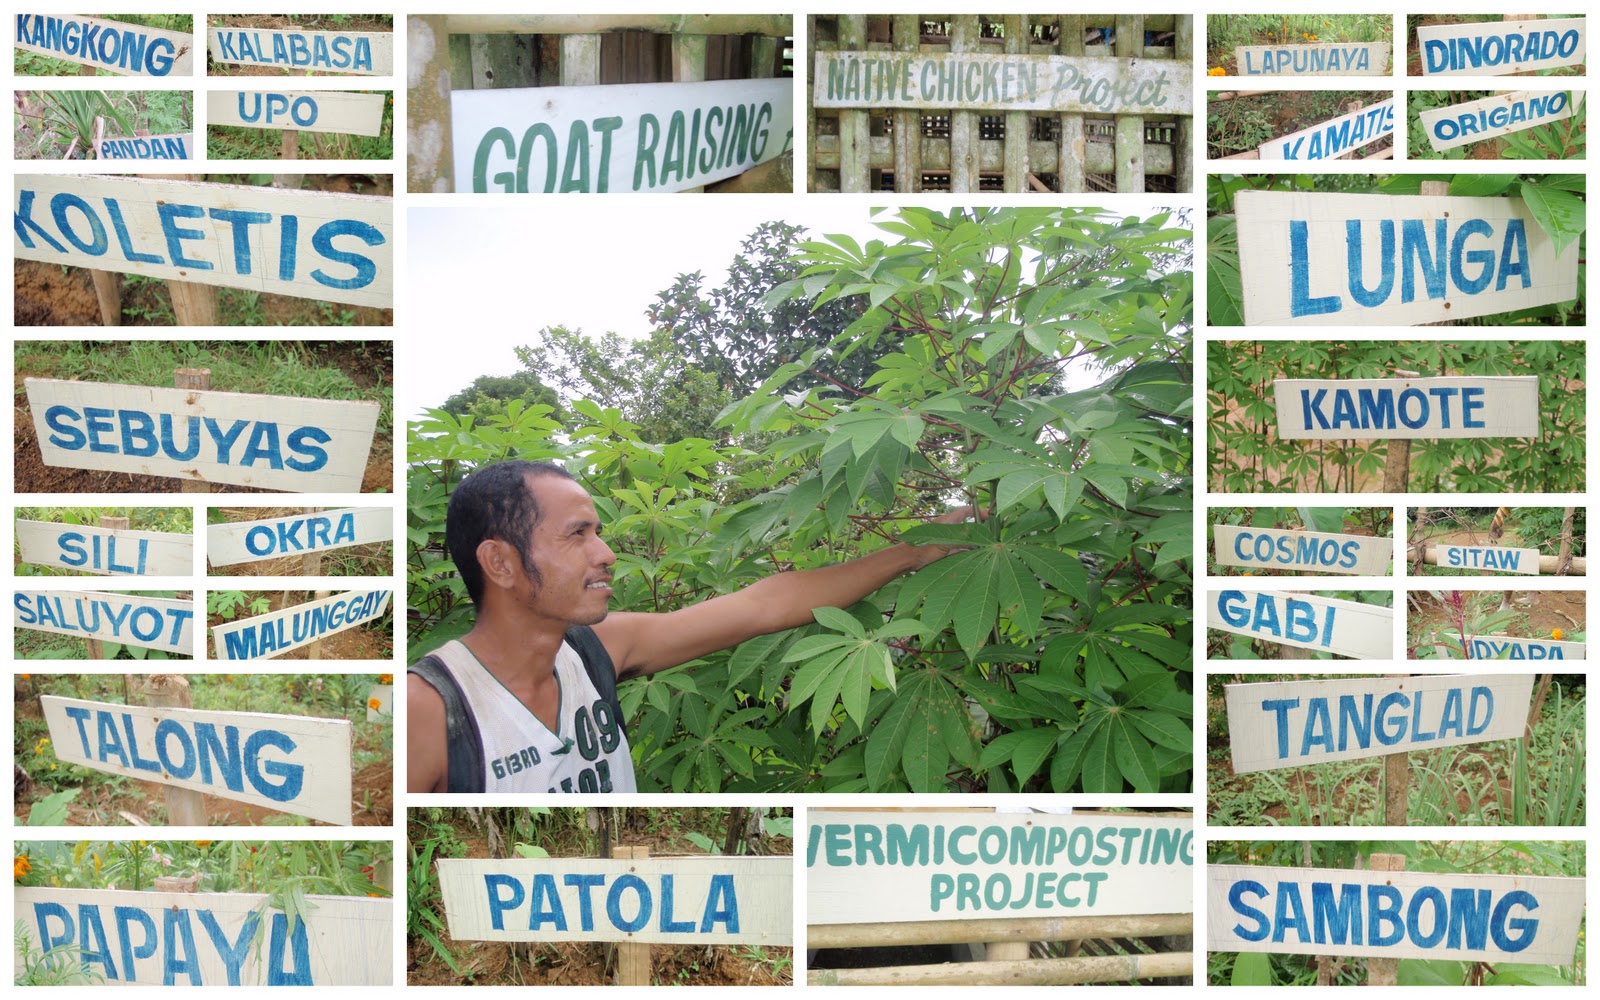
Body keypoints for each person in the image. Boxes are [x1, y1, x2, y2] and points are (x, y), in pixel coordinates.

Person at [407, 459, 975, 793]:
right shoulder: (428, 709)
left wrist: (915, 550)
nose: (606, 554)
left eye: (597, 532)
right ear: (500, 563)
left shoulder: (596, 649)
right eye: (577, 535)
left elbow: (764, 605)